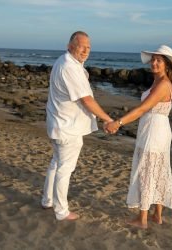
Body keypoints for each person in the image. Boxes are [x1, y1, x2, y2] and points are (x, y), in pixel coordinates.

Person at [41, 31, 113, 221]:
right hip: (67, 128)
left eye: (88, 47)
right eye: (81, 46)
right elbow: (86, 100)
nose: (85, 50)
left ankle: (47, 200)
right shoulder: (69, 67)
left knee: (56, 164)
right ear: (70, 45)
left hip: (59, 123)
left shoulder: (66, 62)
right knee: (64, 169)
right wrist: (107, 119)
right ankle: (61, 211)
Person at [106, 45, 172, 229]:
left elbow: (142, 109)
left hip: (154, 131)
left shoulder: (163, 84)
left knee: (148, 171)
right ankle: (157, 215)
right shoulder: (158, 82)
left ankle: (143, 219)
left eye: (159, 60)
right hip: (155, 129)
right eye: (153, 59)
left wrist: (118, 122)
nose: (154, 63)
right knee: (158, 169)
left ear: (167, 65)